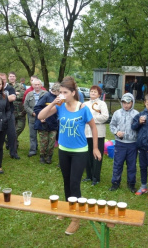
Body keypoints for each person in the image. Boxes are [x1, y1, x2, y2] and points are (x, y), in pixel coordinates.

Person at [38, 76, 101, 236]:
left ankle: (76, 218)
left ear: (73, 92)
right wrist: (54, 102)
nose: (62, 95)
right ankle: (67, 209)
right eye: (60, 92)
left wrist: (95, 148)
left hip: (79, 151)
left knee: (74, 183)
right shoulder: (60, 106)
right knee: (66, 181)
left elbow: (94, 128)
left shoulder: (83, 108)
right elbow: (40, 116)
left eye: (65, 92)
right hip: (63, 150)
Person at [109, 93, 139, 192]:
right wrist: (116, 132)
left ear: (132, 103)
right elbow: (112, 125)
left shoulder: (136, 114)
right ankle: (115, 183)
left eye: (128, 103)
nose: (126, 105)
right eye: (124, 102)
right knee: (118, 164)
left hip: (132, 144)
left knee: (131, 165)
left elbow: (140, 129)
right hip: (120, 143)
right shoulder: (117, 113)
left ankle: (131, 184)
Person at [83, 85, 109, 185]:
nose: (92, 93)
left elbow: (105, 116)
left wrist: (91, 120)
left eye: (95, 92)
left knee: (97, 156)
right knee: (87, 155)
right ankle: (88, 175)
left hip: (98, 133)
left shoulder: (102, 104)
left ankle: (96, 177)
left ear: (99, 94)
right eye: (91, 91)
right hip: (86, 133)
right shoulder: (85, 104)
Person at [33, 82, 60, 163]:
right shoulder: (46, 96)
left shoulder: (60, 99)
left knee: (52, 142)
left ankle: (49, 157)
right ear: (55, 91)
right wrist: (41, 117)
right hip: (43, 124)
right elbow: (37, 108)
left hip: (54, 123)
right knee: (44, 141)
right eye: (60, 92)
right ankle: (42, 156)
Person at [0, 73, 20, 159]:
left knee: (12, 134)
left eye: (3, 79)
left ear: (6, 79)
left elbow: (13, 98)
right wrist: (7, 98)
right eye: (0, 79)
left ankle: (13, 153)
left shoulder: (10, 88)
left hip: (9, 113)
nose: (2, 81)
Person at [24, 79, 46, 159]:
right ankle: (33, 150)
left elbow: (48, 106)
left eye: (38, 84)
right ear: (32, 85)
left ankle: (43, 151)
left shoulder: (45, 94)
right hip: (32, 118)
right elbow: (25, 106)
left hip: (43, 118)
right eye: (35, 85)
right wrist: (32, 113)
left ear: (41, 85)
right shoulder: (29, 94)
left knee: (43, 136)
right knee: (32, 135)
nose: (37, 86)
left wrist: (42, 114)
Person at [8, 72, 27, 144]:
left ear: (15, 78)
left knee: (20, 127)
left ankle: (9, 139)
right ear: (8, 77)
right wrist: (15, 94)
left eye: (13, 76)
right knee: (11, 128)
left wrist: (13, 96)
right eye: (10, 76)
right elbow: (5, 96)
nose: (12, 77)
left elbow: (23, 95)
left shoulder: (20, 86)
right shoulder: (6, 86)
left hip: (20, 111)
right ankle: (14, 143)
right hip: (10, 111)